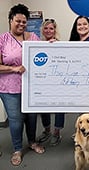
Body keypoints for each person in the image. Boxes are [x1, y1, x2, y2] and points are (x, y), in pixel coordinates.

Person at [0, 4, 45, 166]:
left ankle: (32, 142)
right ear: (10, 20)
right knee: (16, 119)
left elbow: (44, 54)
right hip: (9, 88)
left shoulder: (32, 37)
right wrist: (13, 68)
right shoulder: (2, 39)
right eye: (17, 21)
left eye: (24, 22)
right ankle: (18, 149)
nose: (21, 24)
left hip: (30, 87)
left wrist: (52, 45)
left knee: (32, 117)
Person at [37, 19, 65, 146]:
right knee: (44, 107)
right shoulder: (37, 44)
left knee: (59, 107)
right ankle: (47, 130)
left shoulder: (60, 44)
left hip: (58, 82)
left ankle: (57, 133)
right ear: (42, 30)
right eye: (46, 28)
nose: (48, 31)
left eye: (51, 28)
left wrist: (56, 46)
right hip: (43, 82)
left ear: (55, 30)